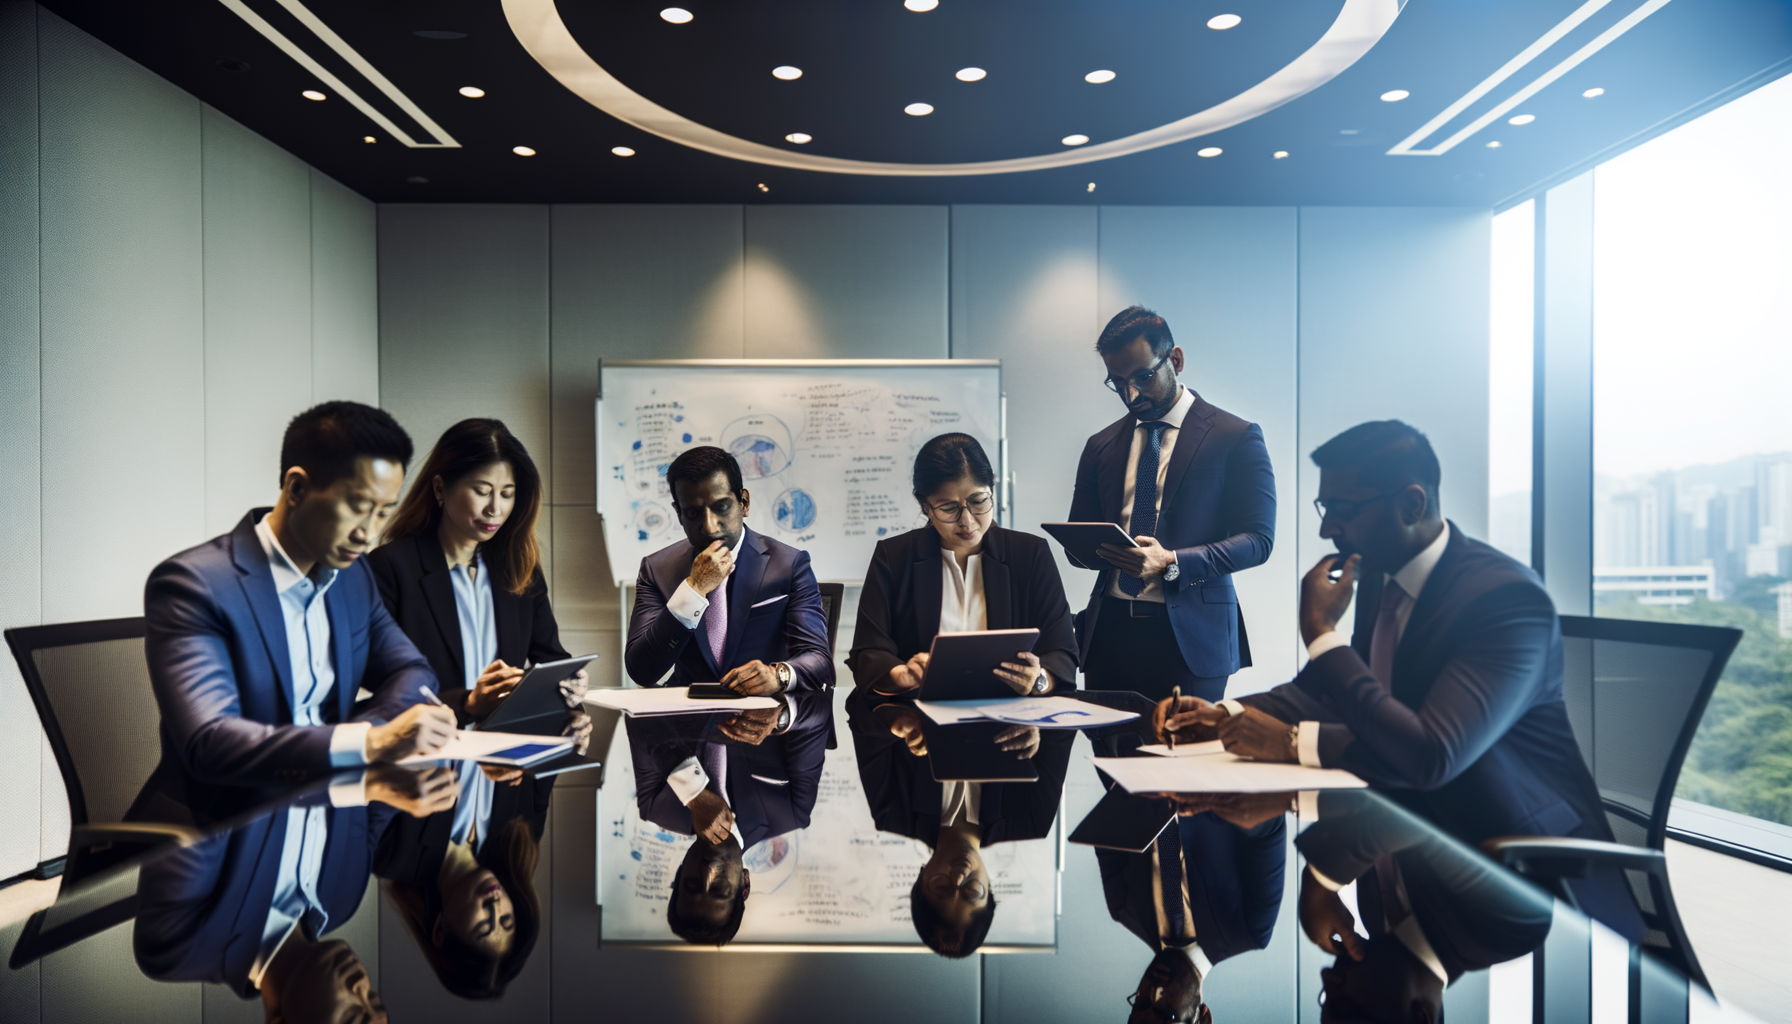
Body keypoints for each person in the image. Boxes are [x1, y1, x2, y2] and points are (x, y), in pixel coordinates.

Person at [1157, 420, 1644, 940]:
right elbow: (1320, 693)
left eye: (1342, 511)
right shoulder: (1381, 578)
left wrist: (1320, 636)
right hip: (1400, 852)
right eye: (1326, 511)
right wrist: (1223, 718)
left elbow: (1430, 754)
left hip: (1518, 887)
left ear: (1412, 504)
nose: (1327, 531)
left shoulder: (1505, 601)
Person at [136, 401, 456, 826]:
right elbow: (211, 744)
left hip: (330, 807)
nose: (369, 532)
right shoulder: (195, 584)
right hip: (223, 830)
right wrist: (372, 742)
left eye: (384, 511)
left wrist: (373, 738)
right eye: (358, 506)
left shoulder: (354, 576)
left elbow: (413, 671)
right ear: (297, 488)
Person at [134, 763, 458, 1021]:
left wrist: (352, 778)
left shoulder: (177, 946)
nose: (362, 984)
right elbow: (391, 773)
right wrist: (466, 711)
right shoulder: (345, 896)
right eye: (374, 999)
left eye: (351, 1018)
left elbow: (205, 782)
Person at [1069, 306, 1276, 703]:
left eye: (1142, 377)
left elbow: (1259, 540)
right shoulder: (1101, 445)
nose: (1130, 394)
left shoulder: (1236, 437)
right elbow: (1081, 545)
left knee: (1182, 759)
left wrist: (1172, 561)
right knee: (1109, 759)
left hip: (1192, 639)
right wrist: (1084, 547)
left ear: (1175, 360)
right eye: (1117, 383)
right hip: (1108, 635)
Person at [368, 418, 590, 726]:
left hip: (502, 759)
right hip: (423, 751)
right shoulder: (390, 567)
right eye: (482, 491)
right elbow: (377, 679)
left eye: (507, 493)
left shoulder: (521, 569)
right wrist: (468, 703)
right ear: (440, 488)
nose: (495, 509)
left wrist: (570, 700)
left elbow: (550, 659)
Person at [846, 686, 1074, 957]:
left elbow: (859, 708)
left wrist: (903, 722)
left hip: (926, 660)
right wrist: (1038, 724)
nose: (959, 874)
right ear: (990, 891)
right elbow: (1066, 709)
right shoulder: (1031, 819)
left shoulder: (892, 810)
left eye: (942, 886)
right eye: (971, 892)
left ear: (922, 877)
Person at [849, 432, 1077, 697]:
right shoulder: (894, 557)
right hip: (919, 717)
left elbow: (1062, 652)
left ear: (992, 491)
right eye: (949, 508)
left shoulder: (1029, 554)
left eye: (978, 501)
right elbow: (868, 651)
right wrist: (901, 675)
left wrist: (1039, 679)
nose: (967, 521)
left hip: (1009, 718)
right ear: (925, 507)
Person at [1295, 791, 1554, 1024]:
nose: (1327, 977)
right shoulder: (1509, 930)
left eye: (1324, 998)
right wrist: (1321, 880)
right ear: (1420, 1017)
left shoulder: (1376, 921)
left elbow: (1372, 799)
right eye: (1346, 1007)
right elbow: (1427, 806)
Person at [627, 690, 832, 945]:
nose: (708, 871)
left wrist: (694, 793)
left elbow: (638, 715)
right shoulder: (792, 810)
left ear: (679, 873)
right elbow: (821, 710)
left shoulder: (654, 806)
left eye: (691, 884)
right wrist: (779, 715)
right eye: (719, 889)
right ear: (744, 884)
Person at [625, 446, 834, 694]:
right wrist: (694, 590)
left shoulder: (789, 564)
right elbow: (641, 670)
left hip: (765, 719)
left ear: (743, 503)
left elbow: (819, 660)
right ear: (679, 514)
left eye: (721, 507)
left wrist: (777, 675)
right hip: (688, 718)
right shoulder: (657, 570)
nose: (709, 527)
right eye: (693, 513)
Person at [376, 762, 553, 1000]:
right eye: (506, 920)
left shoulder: (391, 855)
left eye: (483, 927)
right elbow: (551, 749)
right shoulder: (524, 833)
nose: (495, 905)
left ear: (440, 929)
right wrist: (574, 736)